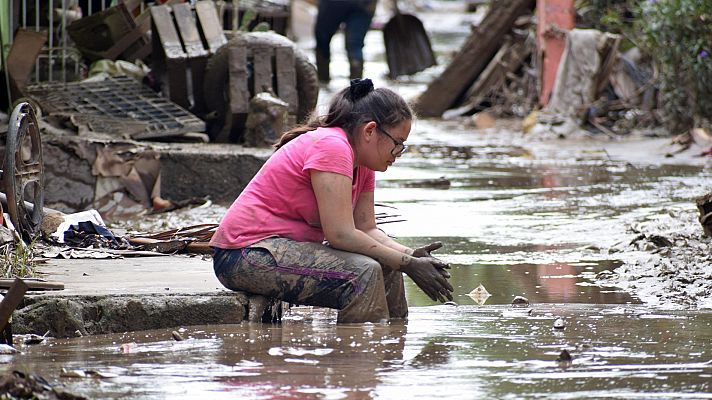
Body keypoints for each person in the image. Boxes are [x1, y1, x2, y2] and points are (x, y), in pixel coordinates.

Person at [210, 78, 453, 323]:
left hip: (275, 250)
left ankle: (391, 352)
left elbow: (366, 228)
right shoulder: (332, 147)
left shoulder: (363, 161)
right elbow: (340, 234)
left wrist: (411, 256)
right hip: (244, 255)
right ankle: (359, 355)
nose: (398, 153)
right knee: (363, 273)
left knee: (387, 265)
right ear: (369, 131)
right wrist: (408, 263)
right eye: (398, 144)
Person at [314, 0, 376, 82]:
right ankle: (357, 88)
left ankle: (322, 82)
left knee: (323, 40)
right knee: (355, 45)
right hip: (363, 4)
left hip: (333, 4)